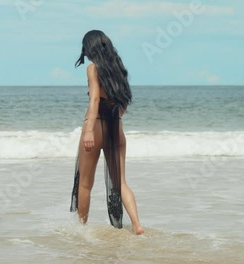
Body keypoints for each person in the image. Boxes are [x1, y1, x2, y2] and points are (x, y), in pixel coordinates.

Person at [69, 30, 144, 235]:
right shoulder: (119, 69)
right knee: (121, 183)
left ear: (90, 48)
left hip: (96, 126)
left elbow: (94, 100)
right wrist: (114, 118)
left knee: (85, 184)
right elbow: (124, 102)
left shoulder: (94, 69)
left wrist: (88, 132)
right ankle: (137, 225)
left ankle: (81, 229)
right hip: (116, 128)